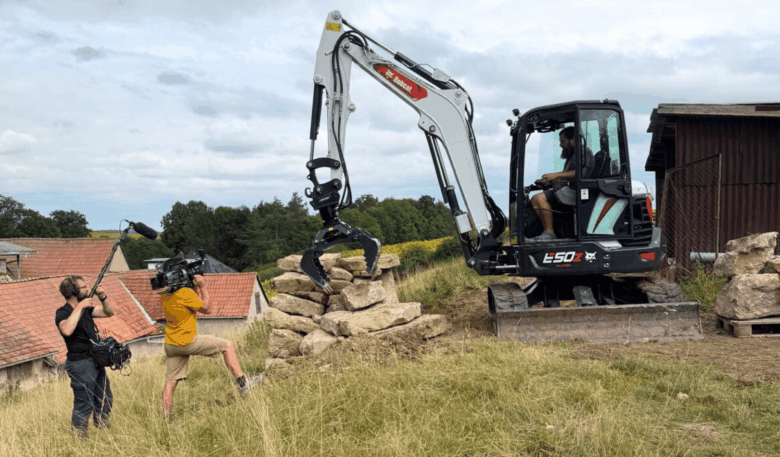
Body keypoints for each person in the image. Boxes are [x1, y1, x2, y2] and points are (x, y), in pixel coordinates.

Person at [161, 274, 263, 419]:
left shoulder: (165, 296)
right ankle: (243, 383)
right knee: (228, 346)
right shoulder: (184, 293)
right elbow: (207, 308)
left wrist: (195, 288)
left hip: (171, 344)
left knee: (170, 381)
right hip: (187, 341)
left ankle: (166, 417)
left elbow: (192, 303)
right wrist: (203, 286)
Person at [55, 275, 114, 440]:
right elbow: (66, 329)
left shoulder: (86, 310)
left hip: (95, 361)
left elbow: (109, 312)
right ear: (74, 292)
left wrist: (102, 297)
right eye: (84, 287)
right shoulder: (63, 312)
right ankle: (81, 441)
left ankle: (102, 433)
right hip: (80, 364)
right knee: (83, 404)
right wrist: (79, 306)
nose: (88, 289)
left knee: (104, 398)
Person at [529, 126, 594, 241]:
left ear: (573, 139)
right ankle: (549, 231)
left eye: (562, 141)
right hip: (569, 189)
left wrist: (556, 175)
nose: (560, 145)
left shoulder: (584, 152)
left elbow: (582, 173)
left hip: (577, 192)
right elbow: (567, 177)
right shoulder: (572, 156)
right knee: (534, 199)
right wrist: (551, 181)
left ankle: (549, 233)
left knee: (540, 198)